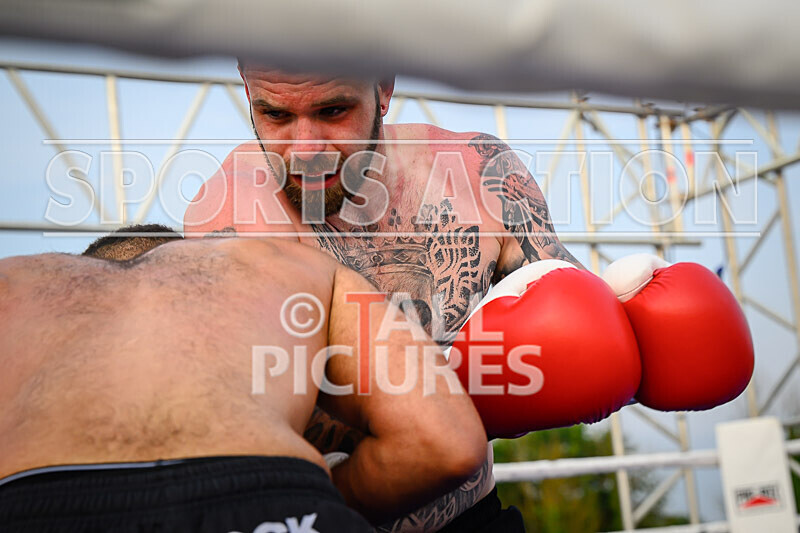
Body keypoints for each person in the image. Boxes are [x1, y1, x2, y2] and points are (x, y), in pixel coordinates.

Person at [185, 65, 583, 531]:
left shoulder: (480, 172)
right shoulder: (232, 217)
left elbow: (574, 314)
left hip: (476, 518)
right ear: (249, 92)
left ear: (384, 87)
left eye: (333, 111)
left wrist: (635, 303)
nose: (307, 150)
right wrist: (469, 397)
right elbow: (268, 419)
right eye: (274, 114)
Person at [0, 224, 487, 532]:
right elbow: (444, 443)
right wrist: (320, 494)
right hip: (272, 500)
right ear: (192, 257)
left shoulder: (12, 285)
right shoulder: (281, 265)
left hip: (36, 502)